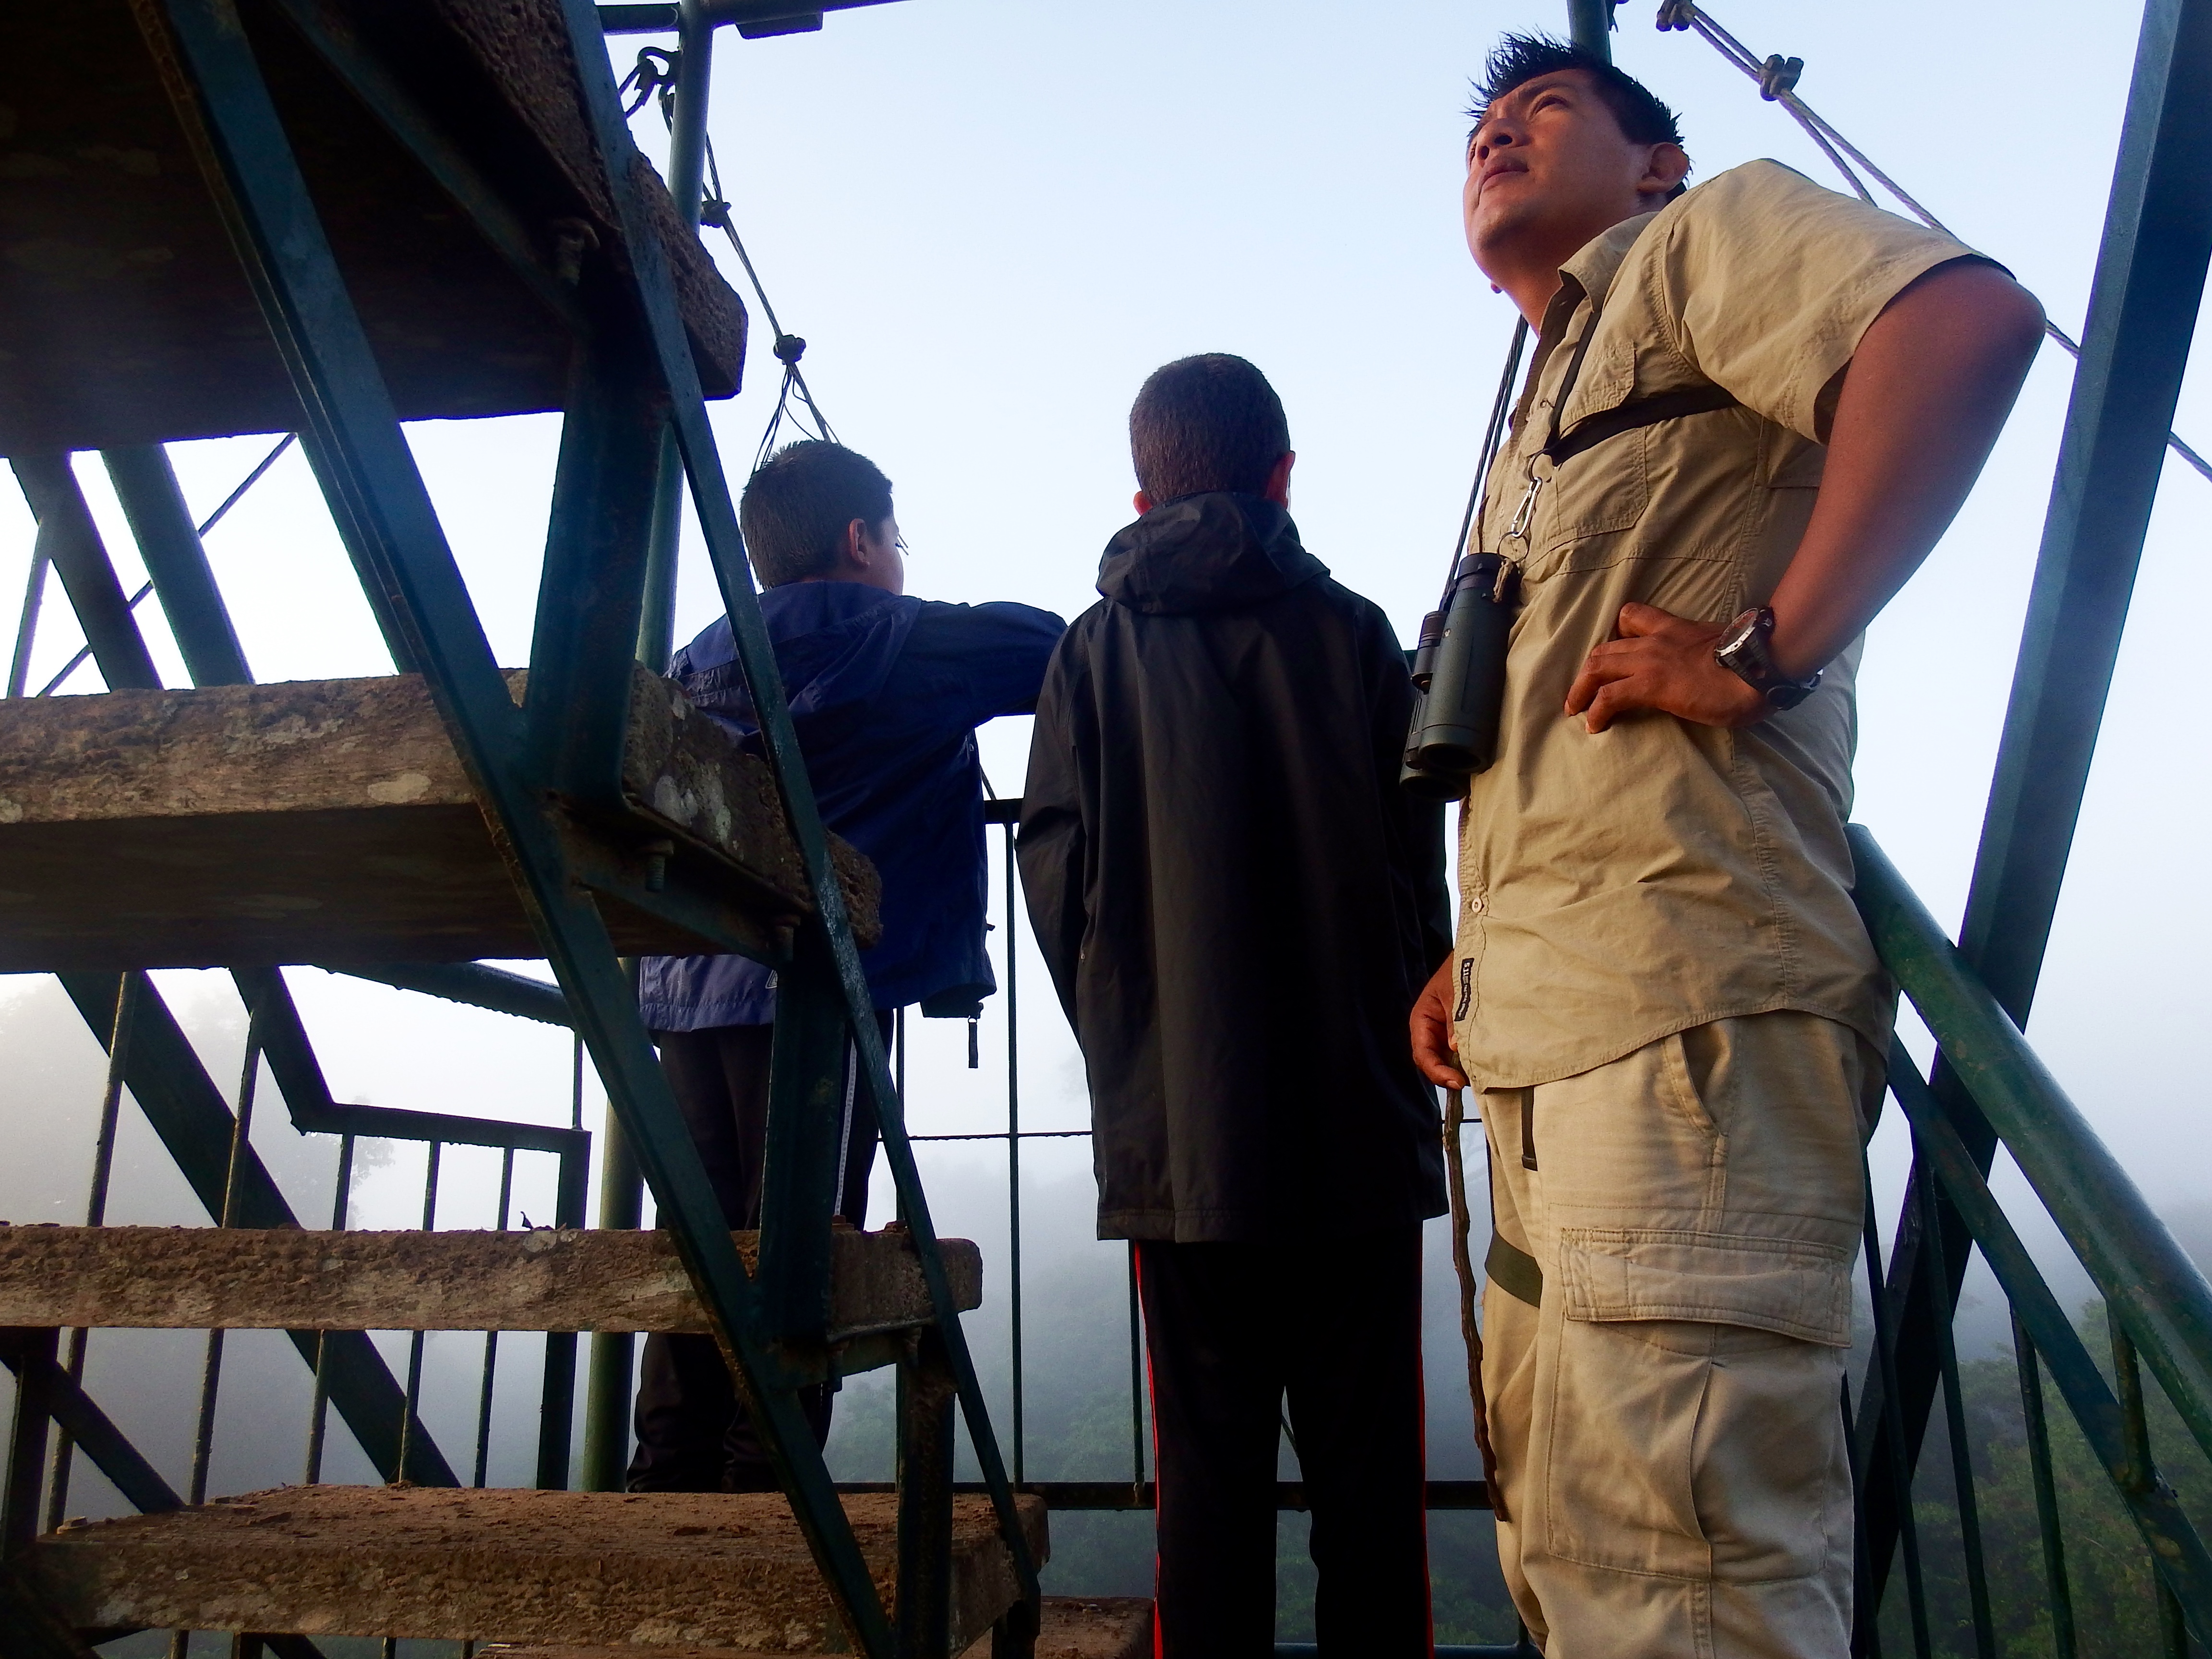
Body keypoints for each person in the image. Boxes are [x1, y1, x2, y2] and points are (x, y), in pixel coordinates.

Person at [1407, 35, 2044, 1659]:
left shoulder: (1702, 242)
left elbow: (1962, 324)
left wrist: (1762, 648)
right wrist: (1469, 954)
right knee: (1571, 1546)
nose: (1496, 138)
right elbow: (1565, 729)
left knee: (1685, 1585)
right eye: (1479, 127)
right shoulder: (1534, 408)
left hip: (1678, 1030)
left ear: (1653, 166)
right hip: (1553, 1037)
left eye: (1542, 112)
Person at [1019, 354, 1451, 1657]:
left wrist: (1135, 1049)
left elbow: (1054, 871)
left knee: (1205, 1483)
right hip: (1361, 1126)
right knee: (1371, 1480)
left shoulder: (1092, 652)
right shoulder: (1359, 635)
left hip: (1184, 1146)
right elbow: (1417, 867)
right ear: (1283, 477)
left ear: (1143, 492)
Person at [629, 439, 1063, 1493]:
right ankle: (762, 1516)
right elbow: (1060, 651)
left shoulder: (694, 660)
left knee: (700, 1249)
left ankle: (658, 1496)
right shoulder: (904, 645)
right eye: (896, 538)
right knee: (798, 1264)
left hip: (684, 995)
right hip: (817, 1006)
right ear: (862, 539)